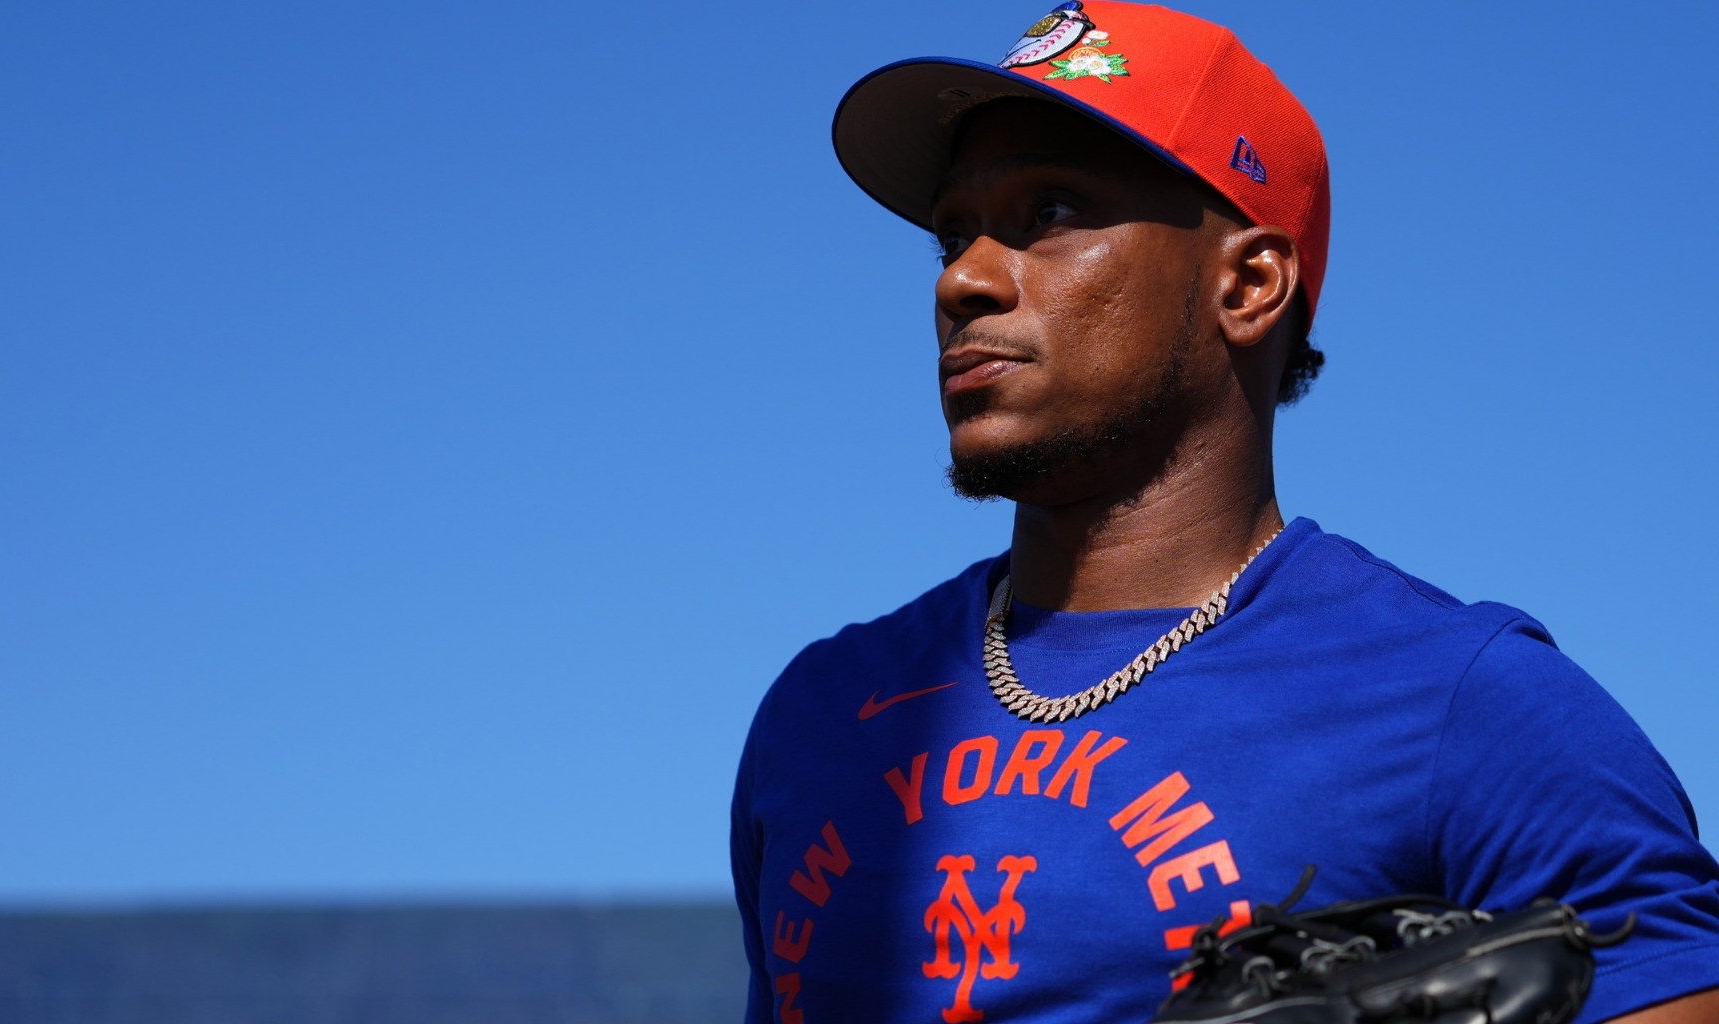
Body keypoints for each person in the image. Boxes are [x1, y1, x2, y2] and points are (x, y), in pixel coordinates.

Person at [728, 4, 1719, 1023]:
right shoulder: (820, 715)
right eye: (952, 233)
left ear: (1248, 284)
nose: (964, 278)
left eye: (1052, 211)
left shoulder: (1466, 704)